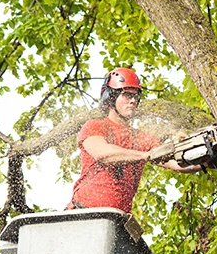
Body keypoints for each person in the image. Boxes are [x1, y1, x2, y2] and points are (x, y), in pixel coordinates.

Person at [67, 67, 201, 214]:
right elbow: (102, 153)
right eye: (127, 95)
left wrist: (204, 160)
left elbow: (178, 164)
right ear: (111, 97)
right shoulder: (95, 126)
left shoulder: (142, 139)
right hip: (83, 214)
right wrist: (144, 155)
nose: (132, 101)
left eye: (135, 96)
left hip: (117, 219)